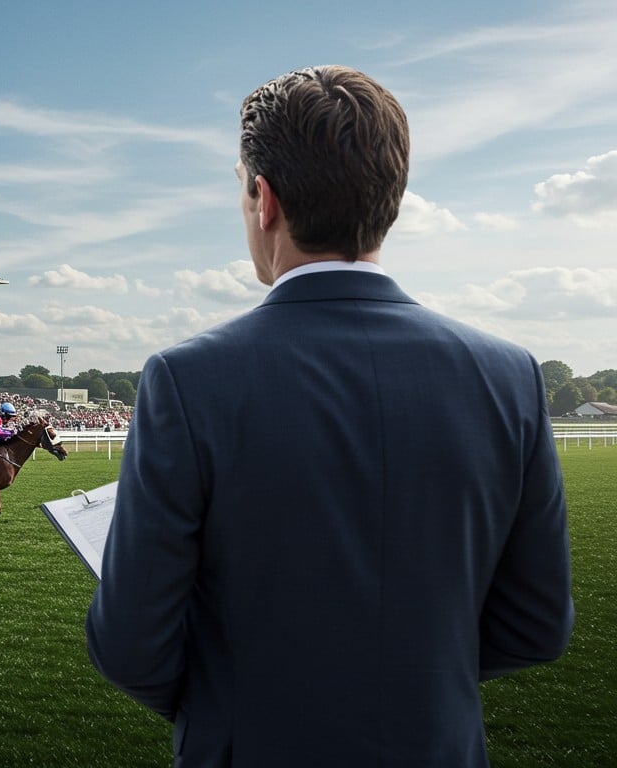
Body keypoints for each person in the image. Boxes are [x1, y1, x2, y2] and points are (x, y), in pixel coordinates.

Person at [85, 65, 572, 767]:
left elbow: (132, 646)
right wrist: (411, 685)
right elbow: (536, 626)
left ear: (265, 200)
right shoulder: (509, 374)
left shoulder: (187, 378)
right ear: (392, 199)